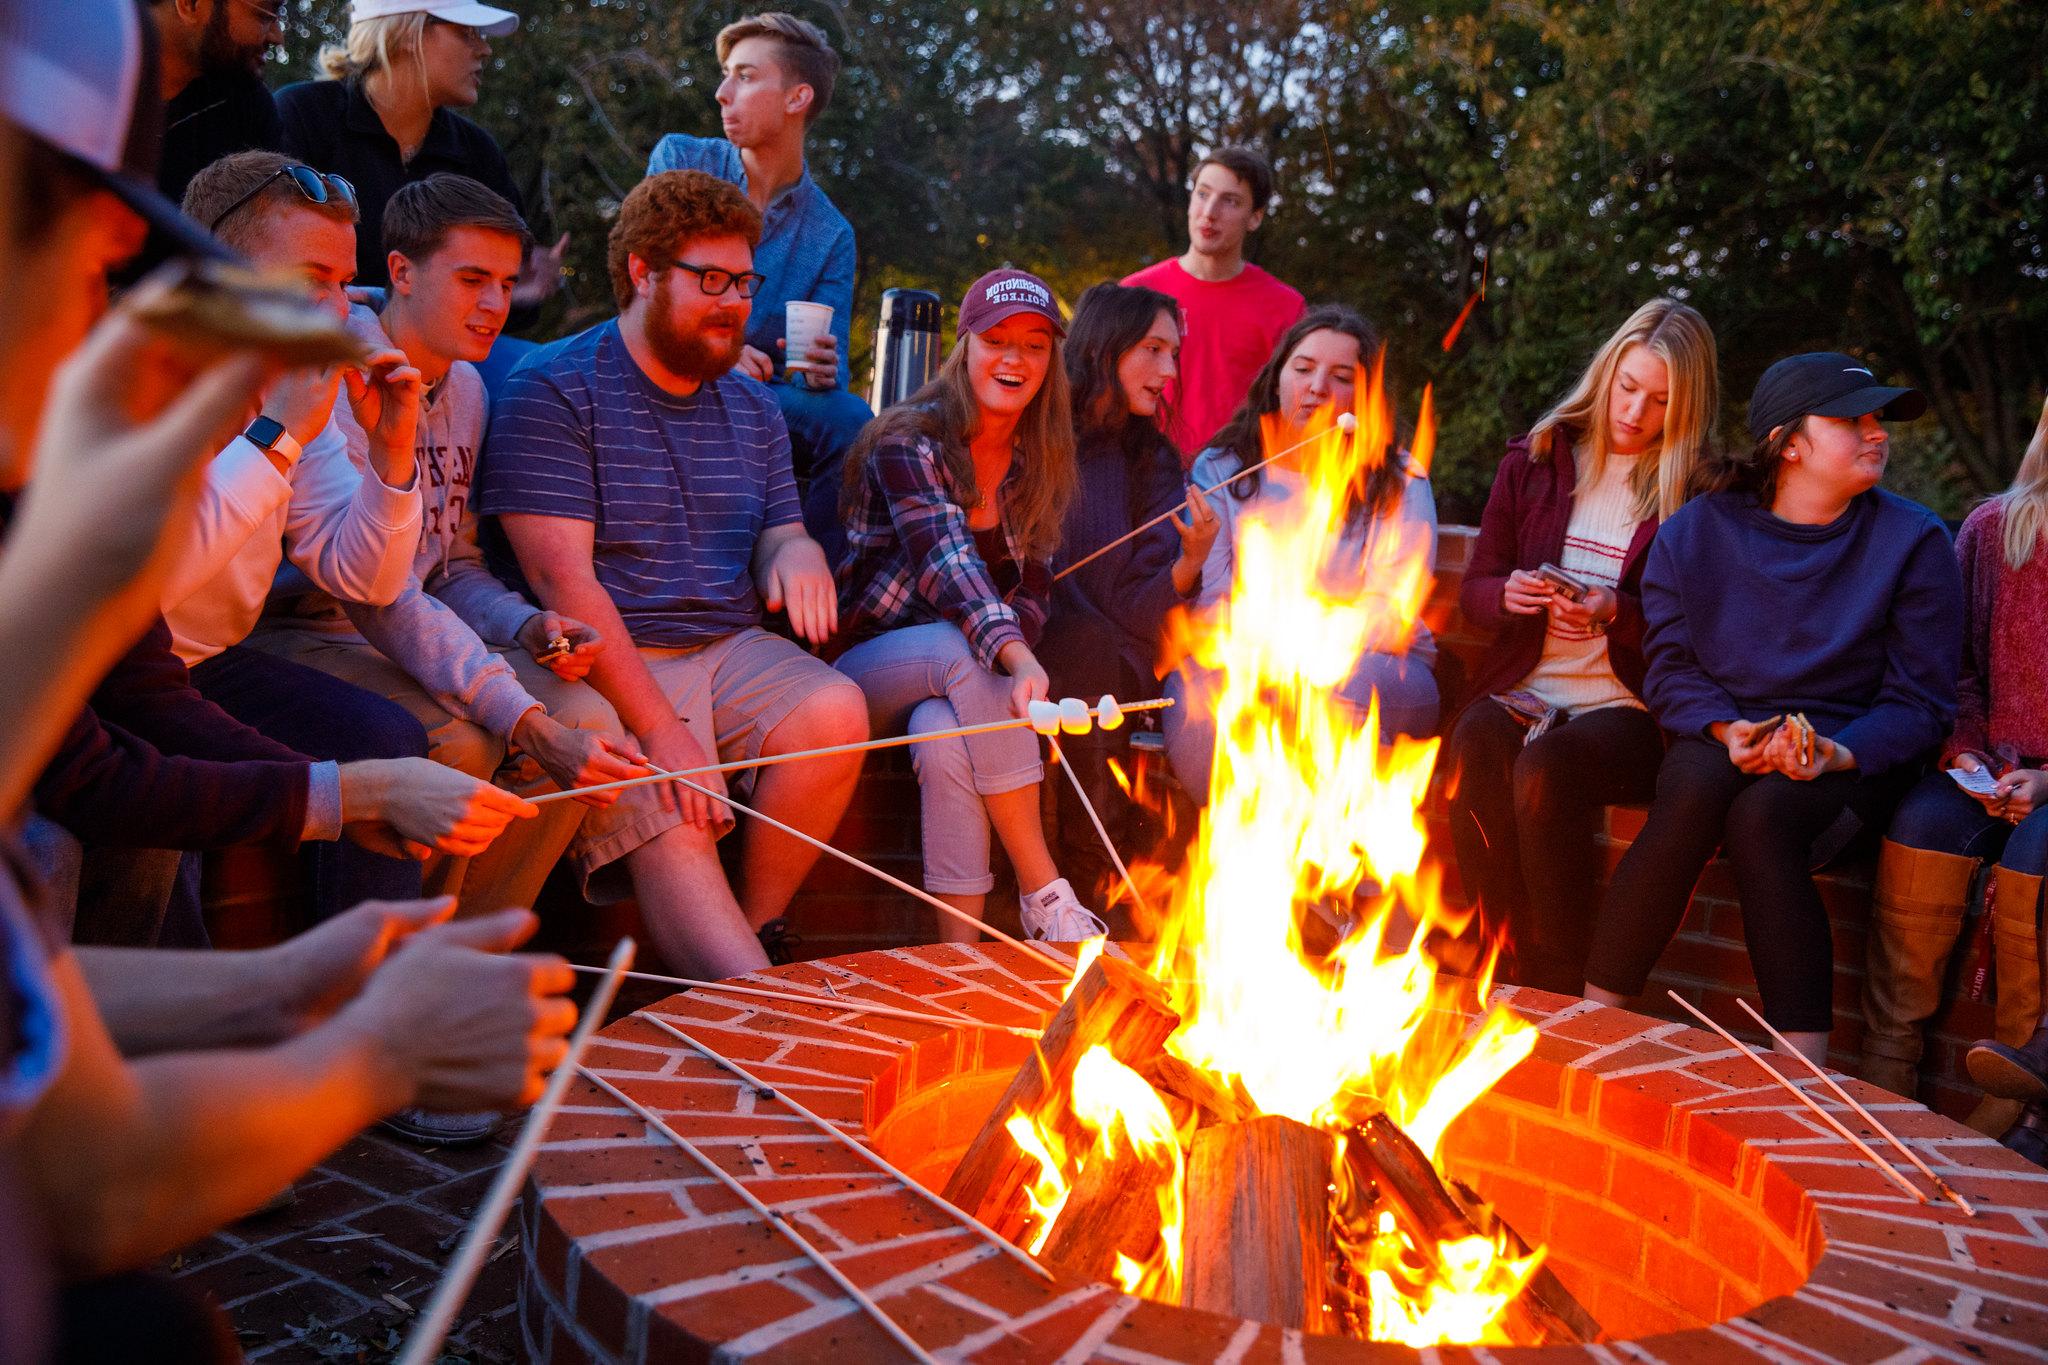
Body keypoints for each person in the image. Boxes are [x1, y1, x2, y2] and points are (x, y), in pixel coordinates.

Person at [0, 5, 576, 1354]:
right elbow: (90, 1174)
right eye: (106, 258)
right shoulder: (113, 459)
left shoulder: (72, 480)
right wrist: (375, 1048)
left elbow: (341, 595)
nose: (119, 301)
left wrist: (291, 983)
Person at [481, 169, 869, 976]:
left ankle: (756, 931)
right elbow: (566, 588)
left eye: (744, 282)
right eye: (710, 280)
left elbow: (781, 531)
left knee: (835, 708)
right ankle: (748, 998)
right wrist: (663, 733)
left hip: (721, 645)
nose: (734, 301)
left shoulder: (753, 405)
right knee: (672, 799)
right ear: (642, 272)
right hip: (600, 662)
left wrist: (794, 552)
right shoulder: (553, 388)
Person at [246, 174, 647, 938]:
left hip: (411, 621)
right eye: (472, 279)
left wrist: (526, 625)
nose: (495, 304)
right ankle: (393, 973)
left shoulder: (467, 389)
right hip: (307, 620)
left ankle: (469, 950)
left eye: (505, 282)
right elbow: (378, 593)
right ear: (401, 271)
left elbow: (449, 567)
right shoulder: (338, 377)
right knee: (464, 739)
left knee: (592, 718)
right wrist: (527, 721)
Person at [169, 150, 534, 917]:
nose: (337, 309)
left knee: (386, 736)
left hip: (210, 662)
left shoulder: (291, 379)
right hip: (113, 667)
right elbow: (147, 581)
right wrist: (276, 437)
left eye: (342, 284)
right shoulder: (151, 373)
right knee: (157, 859)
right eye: (312, 283)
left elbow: (362, 573)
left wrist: (392, 450)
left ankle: (375, 988)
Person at [1582, 354, 1964, 1063]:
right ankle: (1591, 1024)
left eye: (1878, 419)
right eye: (1854, 420)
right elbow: (1671, 668)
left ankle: (1803, 1072)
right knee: (1694, 789)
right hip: (1729, 725)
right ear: (1788, 442)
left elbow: (1921, 701)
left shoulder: (1914, 542)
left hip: (1855, 747)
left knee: (1765, 819)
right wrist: (1729, 731)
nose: (1876, 433)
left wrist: (1834, 752)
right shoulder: (1698, 532)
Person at [1445, 299, 1719, 994]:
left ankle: (1559, 974)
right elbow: (1474, 587)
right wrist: (1507, 594)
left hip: (1627, 706)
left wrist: (1614, 612)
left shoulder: (1694, 492)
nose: (1634, 411)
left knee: (1548, 768)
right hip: (1531, 686)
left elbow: (1702, 631)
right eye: (1627, 387)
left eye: (1659, 401)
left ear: (1684, 408)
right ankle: (1493, 960)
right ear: (1605, 373)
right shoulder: (1537, 460)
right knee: (1477, 734)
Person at [834, 268, 1102, 943]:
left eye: (1035, 345)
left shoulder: (1039, 456)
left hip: (956, 689)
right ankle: (1044, 890)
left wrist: (1015, 648)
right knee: (964, 648)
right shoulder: (909, 440)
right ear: (965, 345)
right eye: (997, 340)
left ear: (1051, 361)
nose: (1015, 359)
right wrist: (1016, 658)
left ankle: (961, 961)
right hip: (865, 666)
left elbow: (1033, 587)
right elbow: (947, 565)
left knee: (943, 734)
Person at [1862, 398, 2048, 1155]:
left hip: (2045, 795)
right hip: (1987, 765)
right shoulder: (1996, 529)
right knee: (1922, 822)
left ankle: (2017, 1087)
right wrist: (1968, 754)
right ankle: (1884, 1073)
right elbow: (1960, 670)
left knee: (2037, 848)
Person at [1162, 306, 1440, 800]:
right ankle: (1237, 860)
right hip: (1244, 658)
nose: (1317, 387)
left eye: (1341, 377)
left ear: (1367, 395)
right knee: (1196, 697)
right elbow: (1212, 599)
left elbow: (1390, 611)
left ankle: (1342, 866)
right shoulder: (1224, 468)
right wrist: (1264, 658)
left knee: (1334, 694)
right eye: (1304, 368)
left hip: (1376, 668)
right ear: (1277, 377)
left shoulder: (1400, 479)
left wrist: (1307, 652)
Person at [647, 12, 872, 552]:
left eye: (745, 76)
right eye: (726, 74)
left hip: (763, 396)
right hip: (667, 362)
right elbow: (647, 286)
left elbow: (823, 377)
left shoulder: (830, 234)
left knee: (851, 419)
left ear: (797, 98)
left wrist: (817, 371)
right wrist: (720, 354)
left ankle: (812, 597)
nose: (723, 93)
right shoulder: (683, 160)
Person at [1041, 281, 1217, 923]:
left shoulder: (1155, 461)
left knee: (1091, 652)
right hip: (1025, 638)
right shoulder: (1038, 431)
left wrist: (1189, 564)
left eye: (1175, 353)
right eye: (1155, 350)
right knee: (1069, 648)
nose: (1170, 372)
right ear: (1107, 347)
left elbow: (1144, 614)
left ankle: (1095, 887)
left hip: (1113, 657)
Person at [276, 0, 566, 307]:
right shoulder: (304, 116)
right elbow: (267, 263)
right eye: (468, 33)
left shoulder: (477, 153)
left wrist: (514, 293)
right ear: (406, 33)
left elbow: (497, 297)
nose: (485, 49)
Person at [1123, 146, 1305, 462]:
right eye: (1202, 194)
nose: (1210, 211)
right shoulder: (1135, 293)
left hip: (1238, 484)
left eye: (1230, 201)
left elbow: (1294, 412)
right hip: (1143, 475)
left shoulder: (1285, 308)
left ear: (1255, 218)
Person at [149, 0, 286, 202]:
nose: (278, 37)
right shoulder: (92, 77)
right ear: (190, 5)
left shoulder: (247, 106)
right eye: (265, 15)